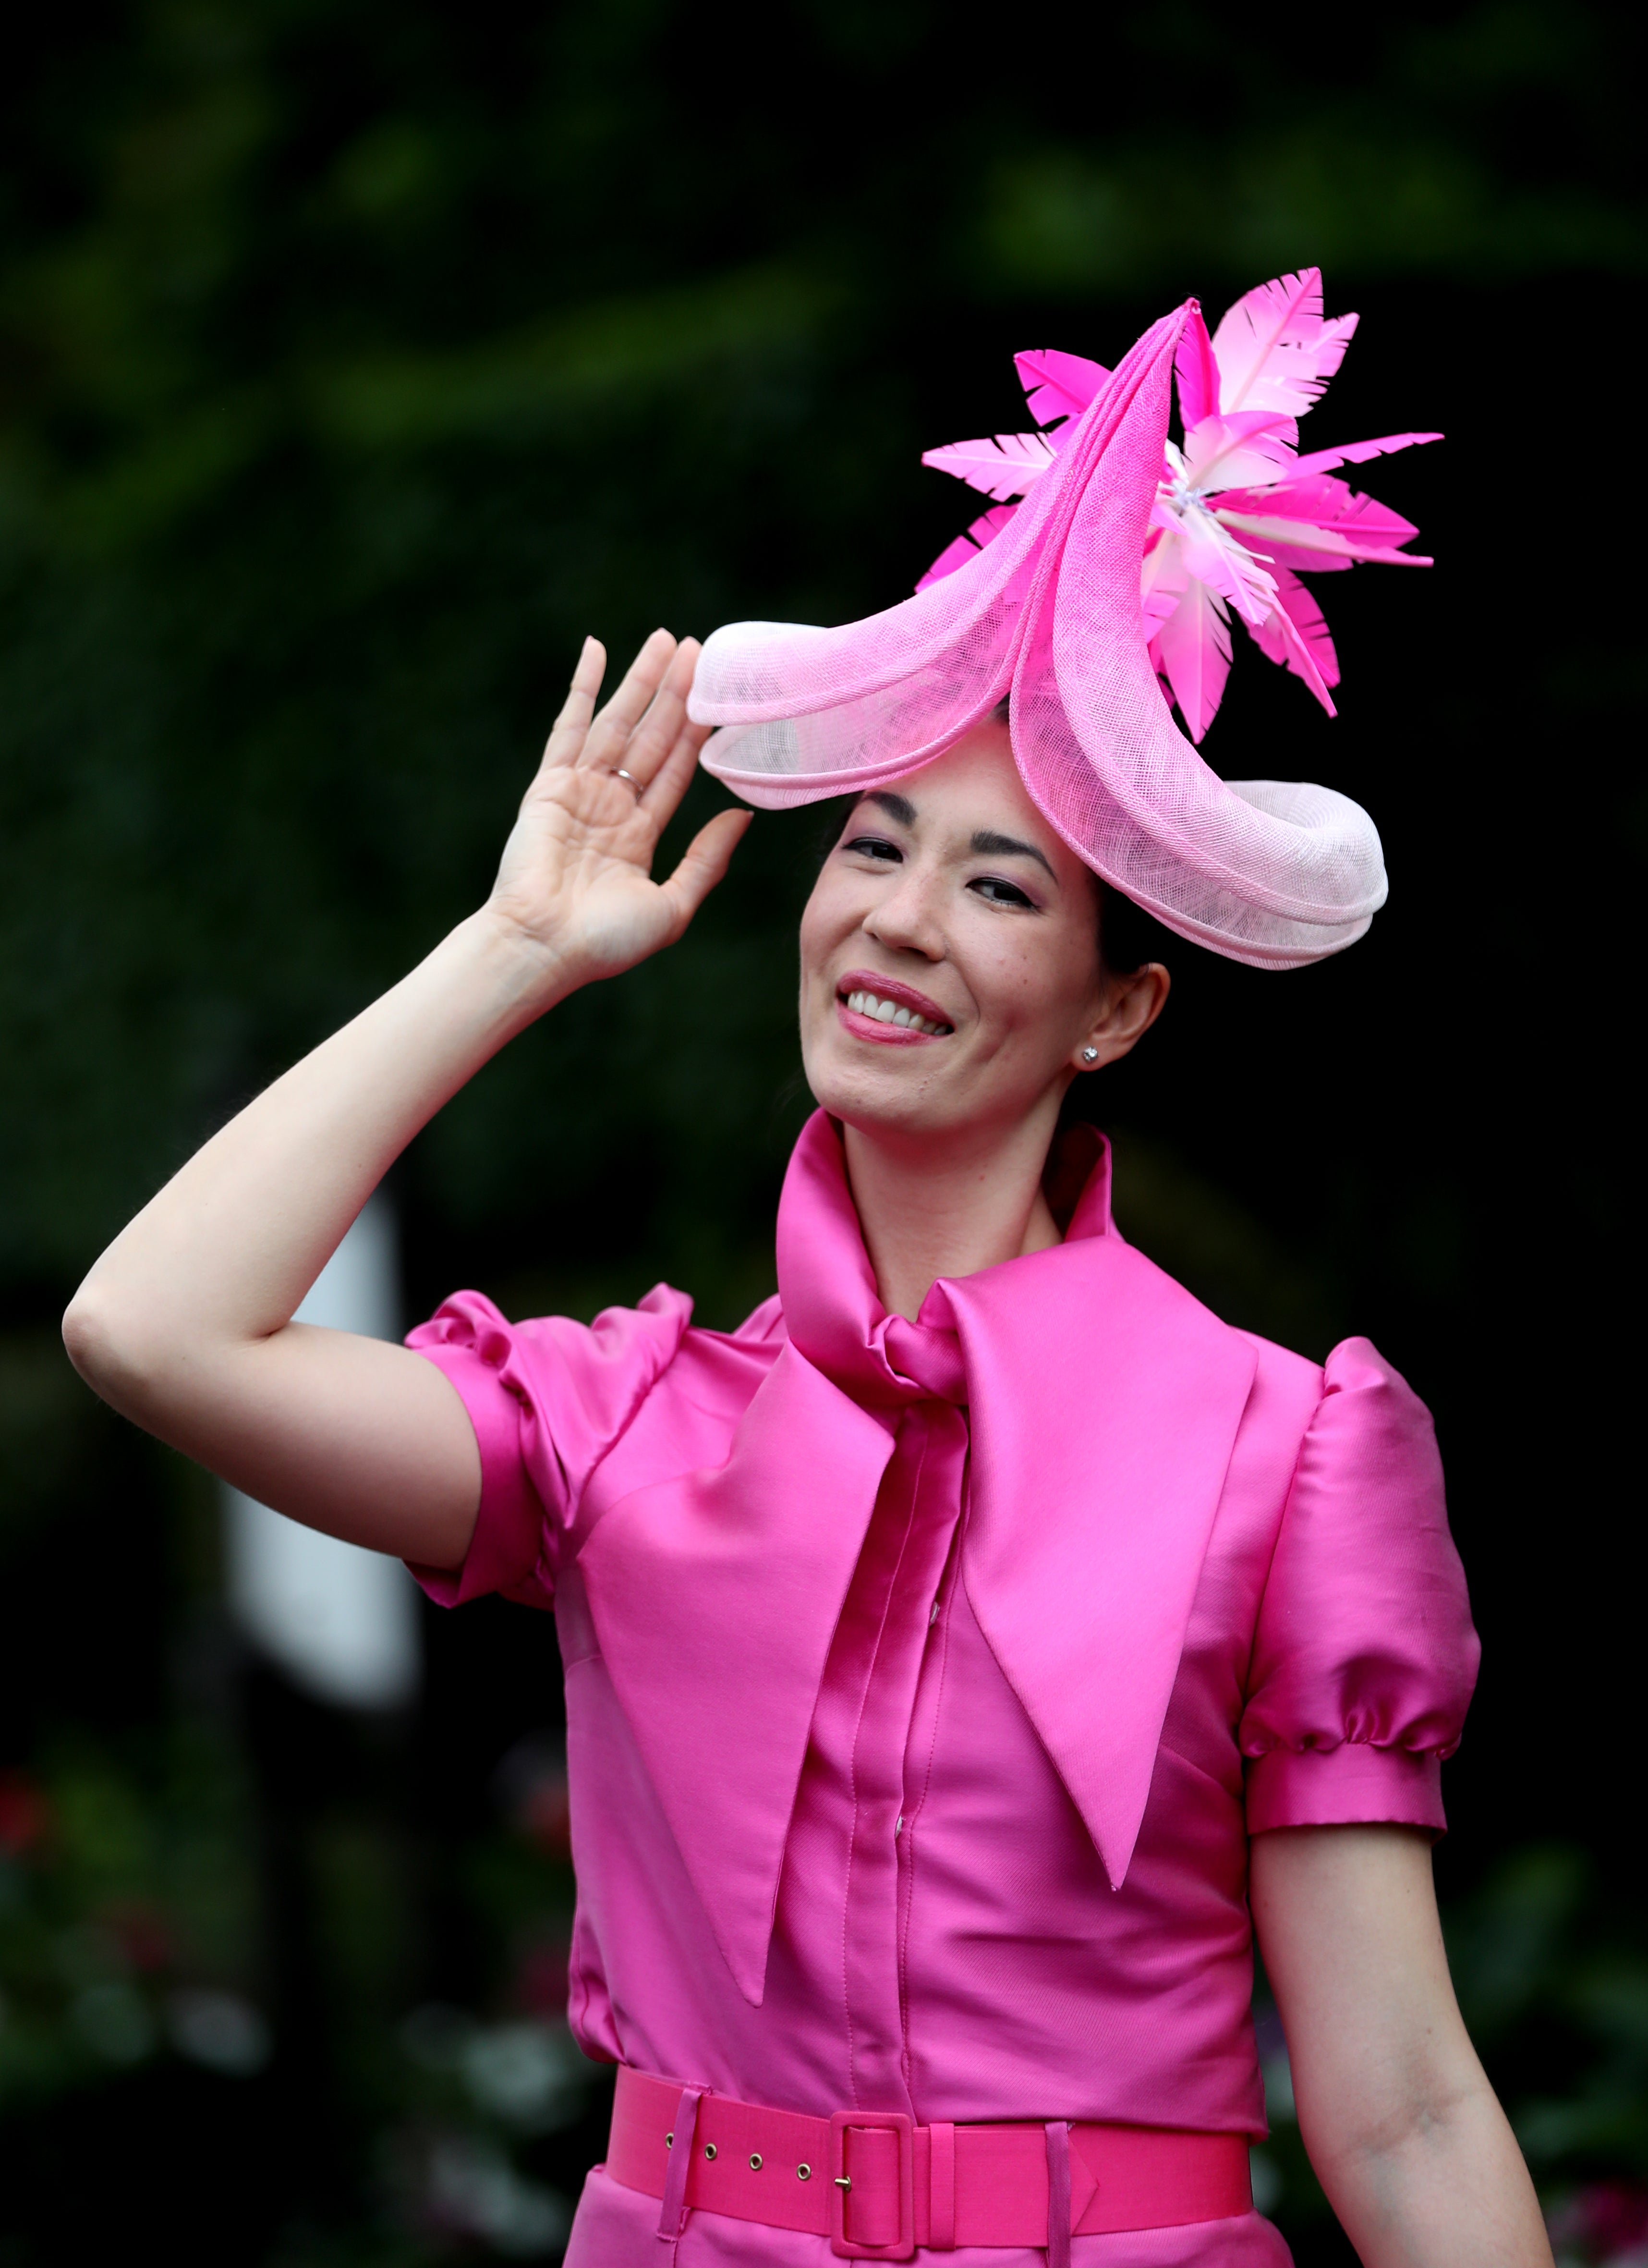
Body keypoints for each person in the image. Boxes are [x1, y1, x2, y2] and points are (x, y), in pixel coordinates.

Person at [63, 299, 1551, 2268]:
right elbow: (151, 1327)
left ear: (1116, 1007)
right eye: (871, 844)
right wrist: (511, 950)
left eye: (1002, 884)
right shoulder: (613, 1424)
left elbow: (1410, 2099)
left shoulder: (1281, 1452)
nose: (900, 918)